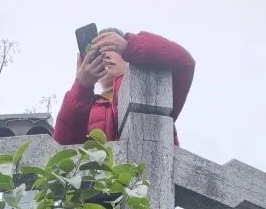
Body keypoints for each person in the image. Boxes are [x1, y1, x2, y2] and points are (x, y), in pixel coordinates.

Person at [53, 29, 195, 145]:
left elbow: (184, 62)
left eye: (110, 47)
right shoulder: (86, 107)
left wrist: (131, 45)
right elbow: (62, 145)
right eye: (98, 52)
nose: (105, 55)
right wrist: (82, 86)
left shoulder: (153, 91)